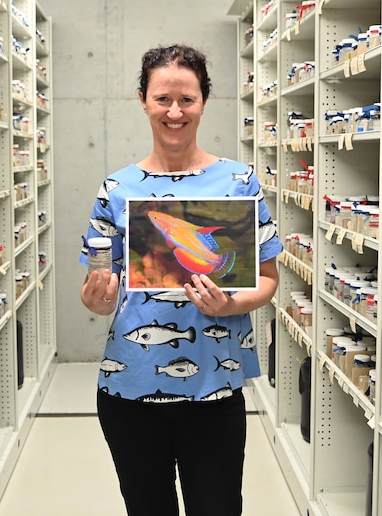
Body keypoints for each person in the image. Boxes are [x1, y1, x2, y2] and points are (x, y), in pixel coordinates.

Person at [79, 44, 282, 516]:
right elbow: (100, 294)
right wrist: (97, 299)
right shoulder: (117, 188)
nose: (175, 111)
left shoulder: (239, 182)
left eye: (187, 99)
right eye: (163, 99)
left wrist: (228, 307)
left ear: (204, 102)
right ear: (143, 100)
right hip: (129, 384)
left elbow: (268, 279)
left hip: (214, 384)